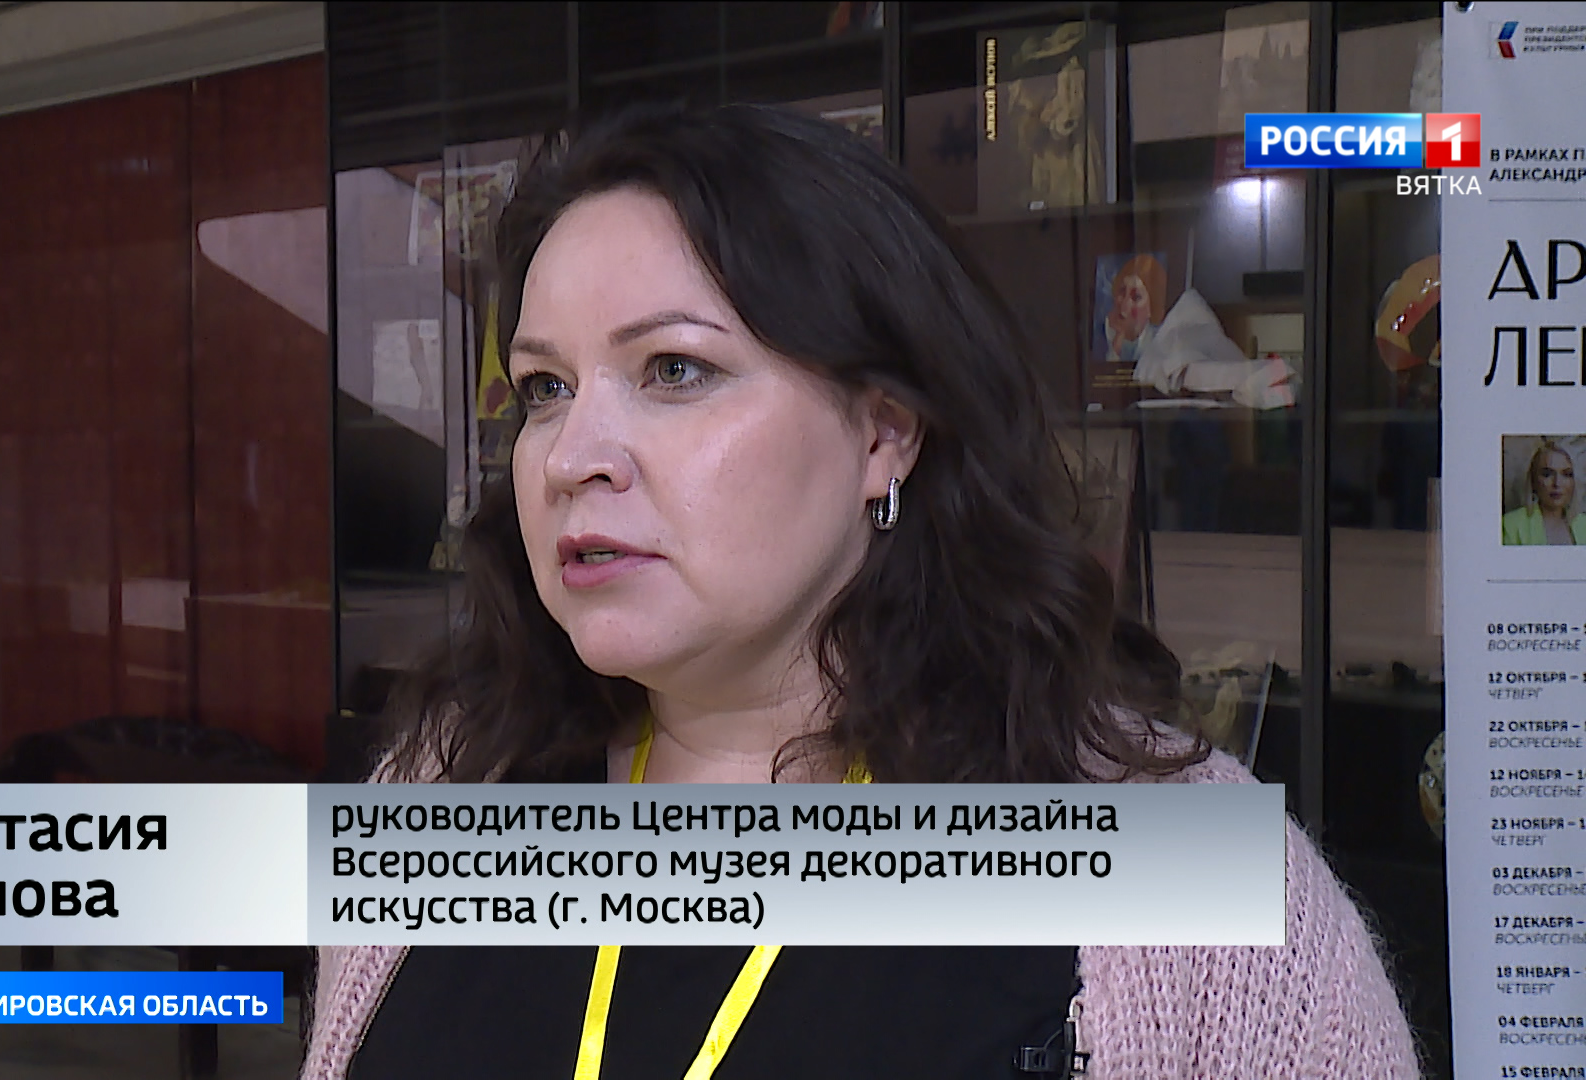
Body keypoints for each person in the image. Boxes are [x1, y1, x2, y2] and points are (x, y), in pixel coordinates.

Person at [303, 105, 1416, 1079]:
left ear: (884, 432)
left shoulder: (1203, 905)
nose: (571, 456)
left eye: (674, 370)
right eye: (544, 388)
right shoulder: (442, 786)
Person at [1502, 439, 1584, 545]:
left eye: (1566, 474)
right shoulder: (1511, 525)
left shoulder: (1583, 524)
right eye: (1547, 474)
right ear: (1533, 479)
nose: (1557, 483)